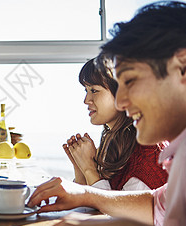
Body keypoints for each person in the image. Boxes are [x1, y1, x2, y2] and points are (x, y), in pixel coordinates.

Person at [28, 0, 186, 226]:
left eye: (130, 81)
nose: (122, 101)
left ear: (183, 67)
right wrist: (85, 194)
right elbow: (154, 206)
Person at [64, 58, 168, 190]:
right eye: (86, 90)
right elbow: (87, 205)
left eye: (94, 90)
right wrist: (81, 171)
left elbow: (113, 209)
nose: (86, 100)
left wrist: (89, 168)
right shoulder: (117, 145)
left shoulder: (147, 156)